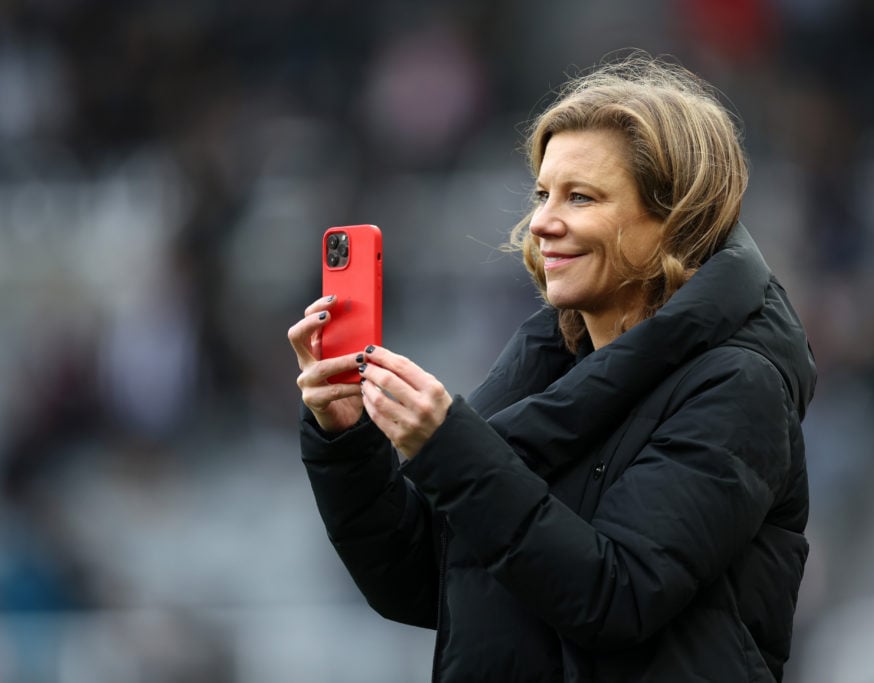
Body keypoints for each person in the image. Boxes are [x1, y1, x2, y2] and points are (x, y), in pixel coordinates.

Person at [288, 53, 816, 682]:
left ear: (675, 218)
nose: (541, 222)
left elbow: (616, 595)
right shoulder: (543, 367)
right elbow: (417, 580)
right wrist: (347, 442)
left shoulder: (738, 384)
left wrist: (450, 448)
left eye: (580, 197)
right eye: (542, 193)